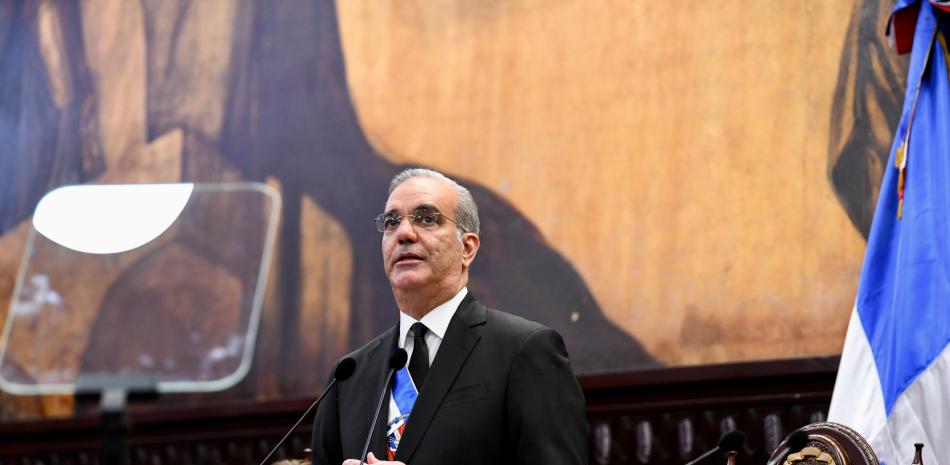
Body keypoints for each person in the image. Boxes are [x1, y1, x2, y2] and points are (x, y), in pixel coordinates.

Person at [310, 168, 588, 465]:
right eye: (391, 222)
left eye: (427, 219)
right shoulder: (349, 374)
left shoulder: (524, 350)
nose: (404, 234)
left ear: (467, 248)